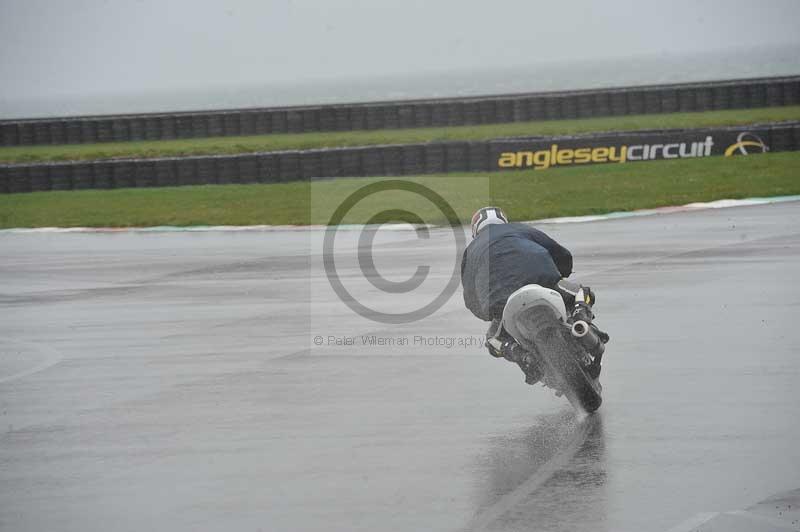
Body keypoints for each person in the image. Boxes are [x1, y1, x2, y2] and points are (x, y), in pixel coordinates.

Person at [460, 206, 599, 385]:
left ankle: (522, 356)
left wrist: (488, 313)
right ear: (503, 220)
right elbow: (559, 252)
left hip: (500, 299)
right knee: (582, 293)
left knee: (493, 341)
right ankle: (581, 319)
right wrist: (561, 273)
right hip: (541, 278)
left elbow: (470, 298)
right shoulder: (519, 228)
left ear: (475, 229)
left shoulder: (471, 250)